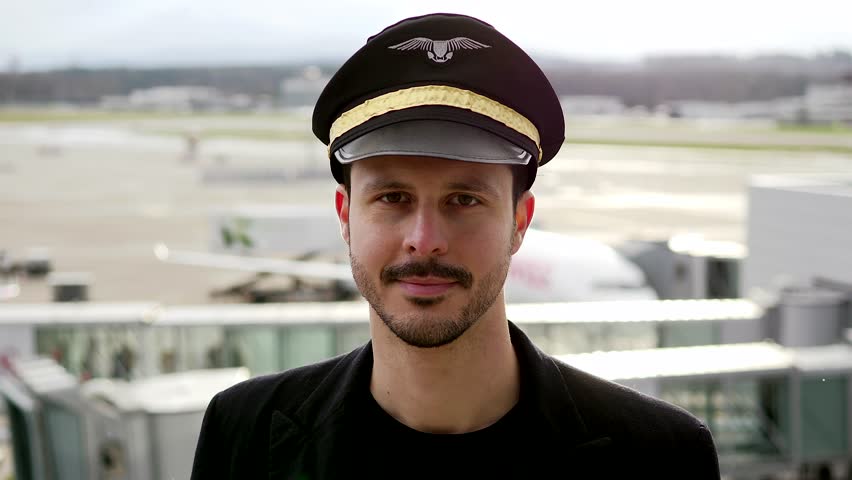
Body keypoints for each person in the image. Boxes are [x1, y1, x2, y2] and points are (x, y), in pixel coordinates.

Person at [190, 13, 720, 479]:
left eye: (464, 200)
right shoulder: (243, 436)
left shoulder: (661, 458)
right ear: (346, 216)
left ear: (519, 221)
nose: (425, 241)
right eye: (393, 197)